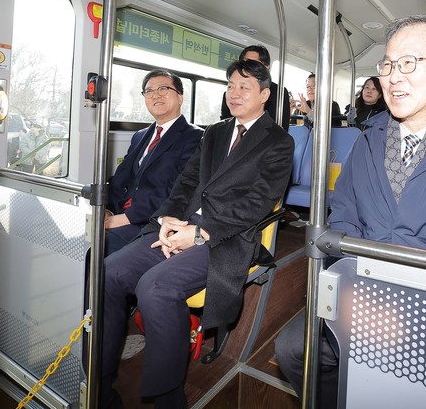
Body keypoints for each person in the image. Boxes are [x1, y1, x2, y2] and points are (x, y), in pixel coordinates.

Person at [275, 15, 426, 407]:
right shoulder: (368, 141)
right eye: (388, 64)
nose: (393, 77)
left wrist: (410, 312)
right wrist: (357, 293)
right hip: (363, 288)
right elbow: (344, 214)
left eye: (409, 63)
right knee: (293, 349)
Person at [101, 59, 294, 408]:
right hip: (182, 224)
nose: (234, 93)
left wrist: (199, 233)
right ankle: (99, 384)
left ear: (264, 94)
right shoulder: (215, 132)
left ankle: (169, 400)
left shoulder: (279, 142)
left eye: (244, 87)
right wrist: (169, 219)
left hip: (225, 236)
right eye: (231, 85)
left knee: (155, 288)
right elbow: (187, 181)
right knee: (109, 272)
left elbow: (256, 204)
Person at [104, 69, 203, 256]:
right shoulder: (140, 136)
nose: (156, 95)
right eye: (149, 91)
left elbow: (178, 189)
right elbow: (121, 178)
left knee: (97, 251)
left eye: (163, 88)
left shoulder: (196, 137)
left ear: (180, 97)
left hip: (151, 221)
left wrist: (123, 219)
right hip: (119, 214)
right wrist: (107, 210)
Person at [220, 45, 291, 131]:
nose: (235, 95)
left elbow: (281, 127)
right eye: (244, 63)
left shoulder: (279, 93)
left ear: (266, 67)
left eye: (252, 64)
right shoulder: (230, 94)